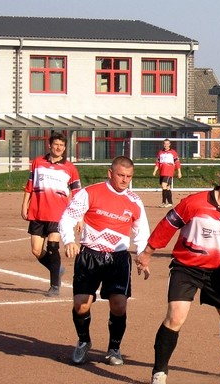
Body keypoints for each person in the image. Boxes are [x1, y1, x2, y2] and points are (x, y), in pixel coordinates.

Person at [136, 160, 220, 384]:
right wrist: (148, 252)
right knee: (175, 317)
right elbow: (167, 225)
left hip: (219, 271)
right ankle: (159, 372)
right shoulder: (194, 203)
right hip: (186, 268)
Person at [58, 156, 151, 367]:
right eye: (120, 175)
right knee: (81, 305)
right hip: (90, 255)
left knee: (118, 305)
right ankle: (83, 341)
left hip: (118, 258)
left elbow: (141, 231)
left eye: (128, 176)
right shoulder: (90, 192)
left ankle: (114, 348)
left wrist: (142, 256)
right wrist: (69, 241)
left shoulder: (135, 201)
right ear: (110, 173)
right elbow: (67, 218)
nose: (124, 180)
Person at [22, 132, 81, 297]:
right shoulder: (38, 163)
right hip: (37, 212)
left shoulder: (70, 168)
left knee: (53, 247)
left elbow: (77, 193)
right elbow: (29, 186)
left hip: (58, 214)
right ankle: (57, 269)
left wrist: (79, 217)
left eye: (62, 146)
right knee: (36, 250)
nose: (59, 148)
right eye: (56, 145)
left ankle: (54, 285)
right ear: (50, 145)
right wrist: (24, 205)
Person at [153, 138, 182, 208]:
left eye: (167, 144)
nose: (166, 145)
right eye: (164, 144)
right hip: (162, 171)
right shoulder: (160, 152)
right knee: (167, 187)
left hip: (169, 171)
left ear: (169, 144)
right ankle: (170, 202)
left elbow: (177, 162)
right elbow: (157, 162)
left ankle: (163, 202)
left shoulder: (173, 152)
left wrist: (179, 172)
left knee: (164, 186)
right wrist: (155, 171)